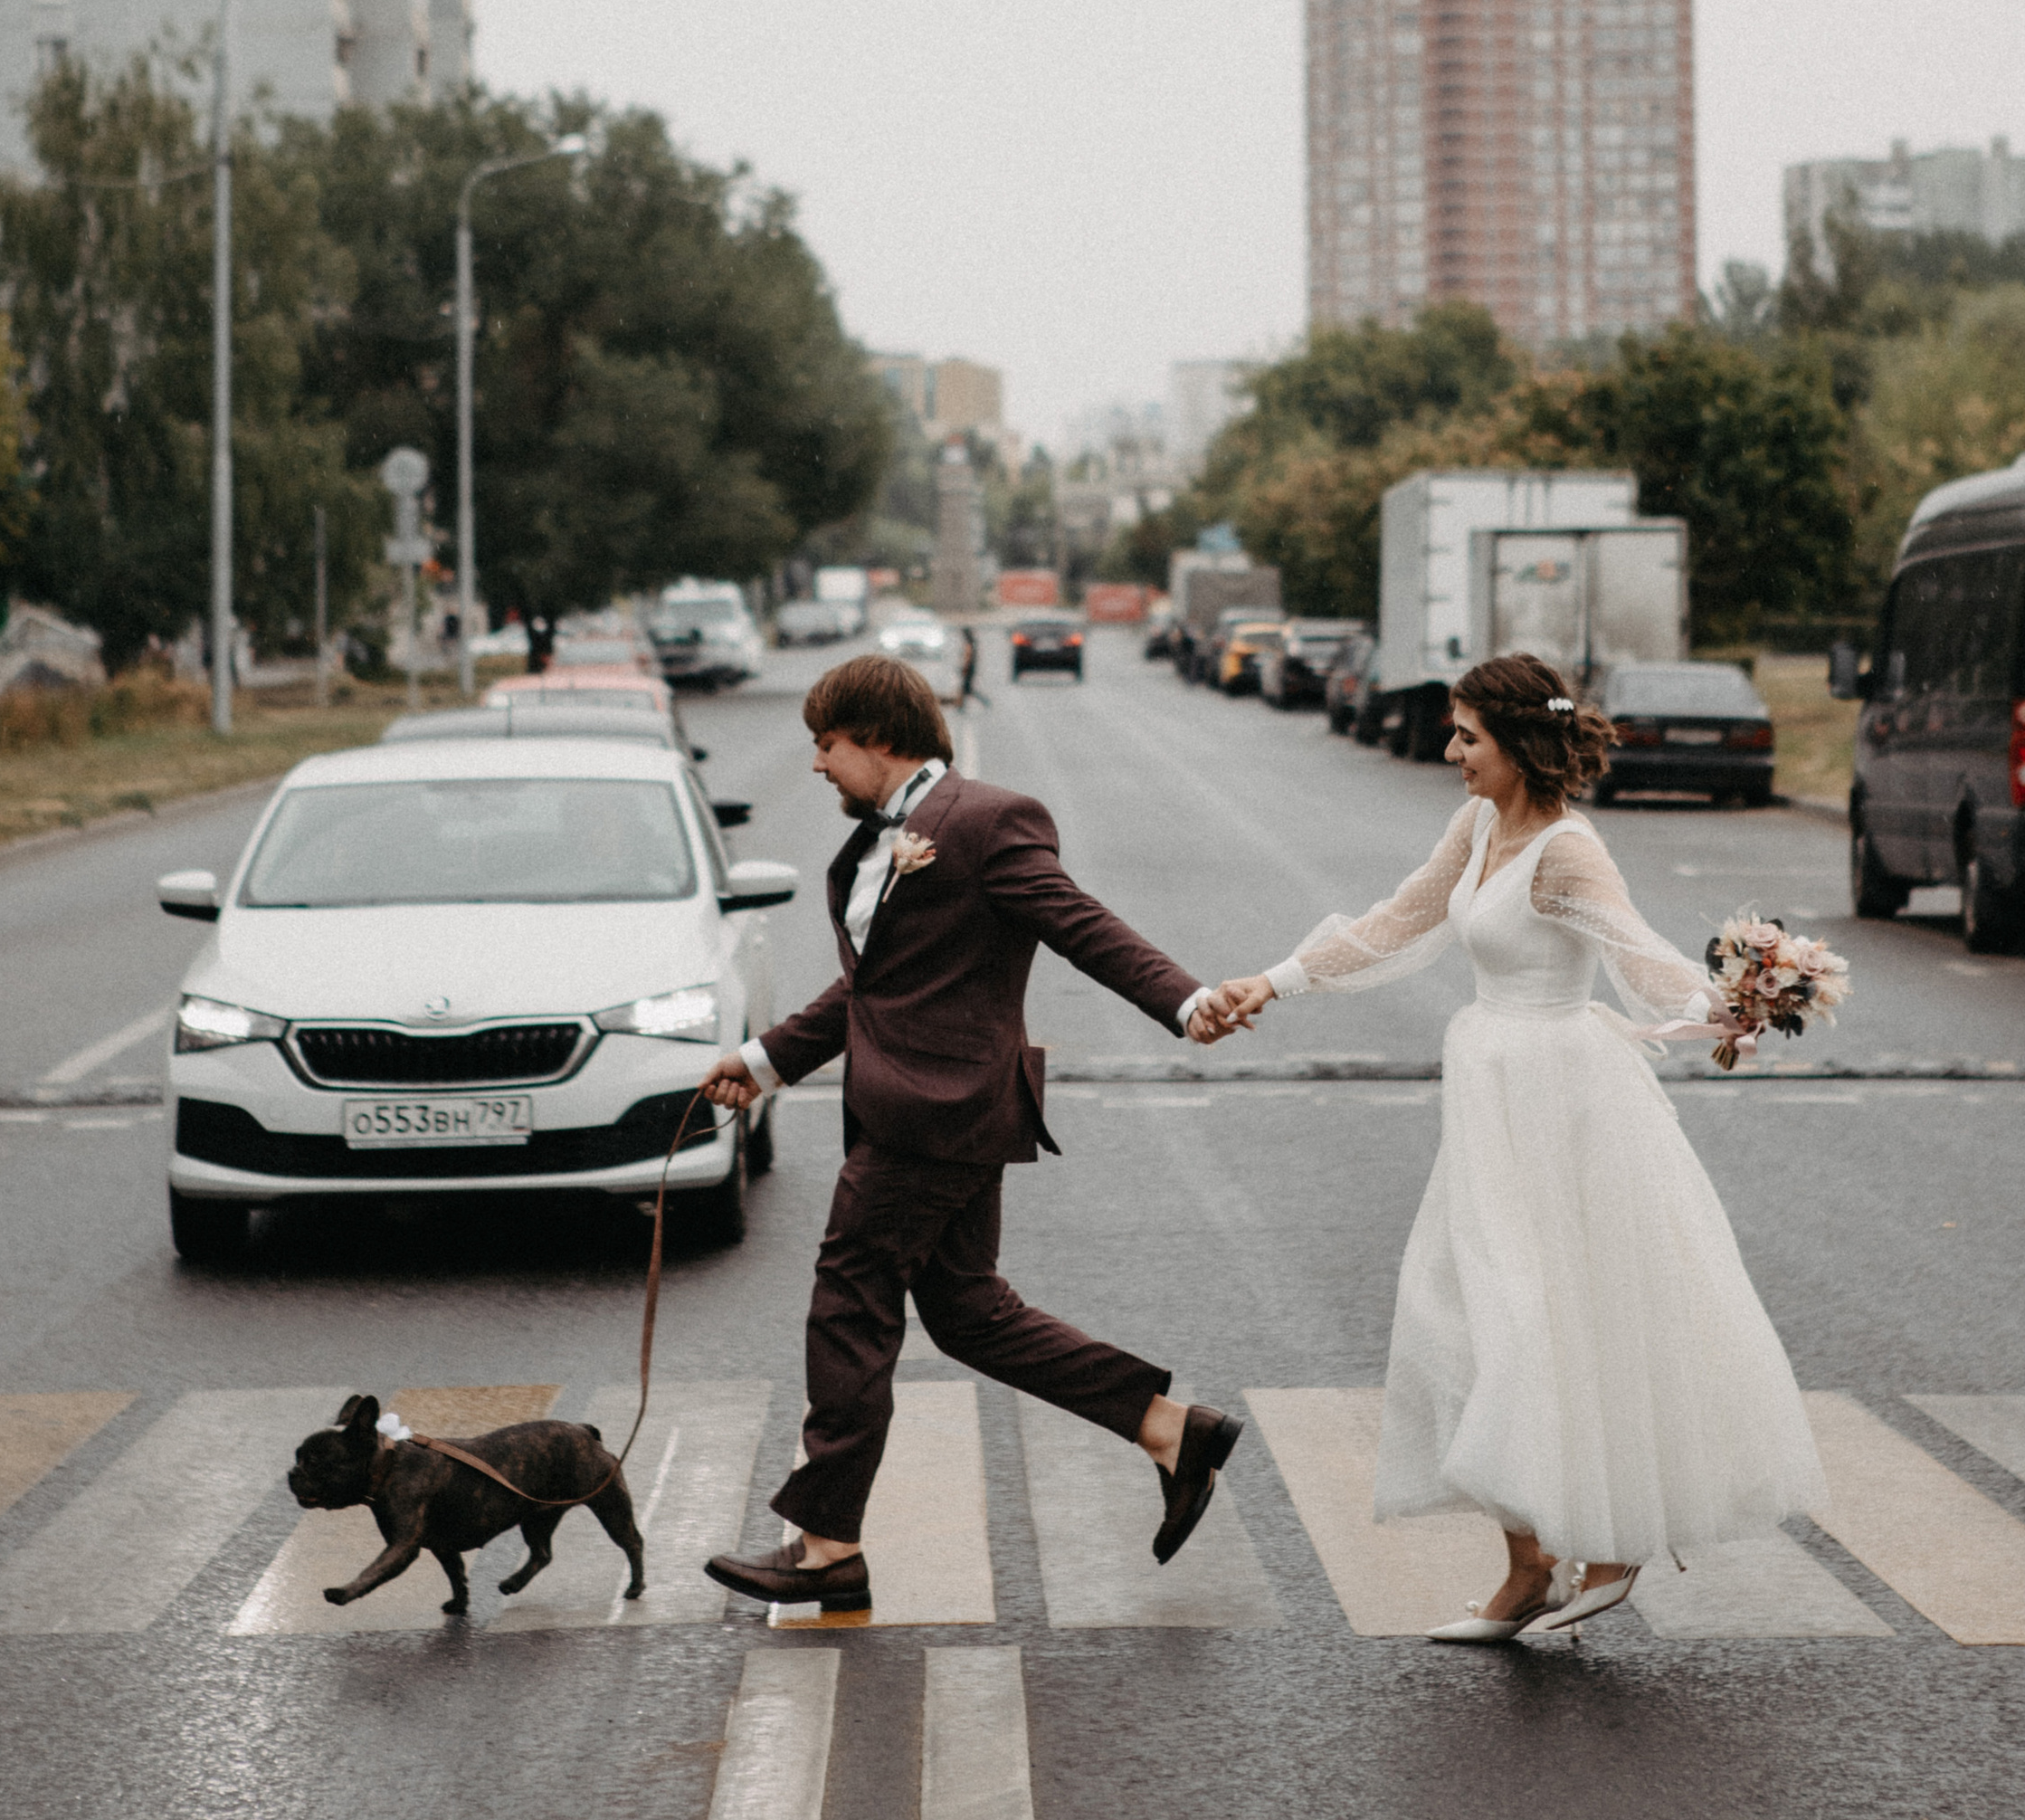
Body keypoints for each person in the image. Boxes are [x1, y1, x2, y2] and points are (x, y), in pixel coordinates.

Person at [1198, 651, 1827, 1642]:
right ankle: (1530, 1565)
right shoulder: (1481, 824)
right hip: (1492, 1096)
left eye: (1467, 737)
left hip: (1562, 1100)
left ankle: (1606, 1546)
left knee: (1552, 1323)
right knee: (1467, 1319)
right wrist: (1270, 981)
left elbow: (1635, 953)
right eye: (1453, 733)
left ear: (1521, 745)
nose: (1451, 751)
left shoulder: (1568, 852)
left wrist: (1739, 1003)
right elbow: (1398, 918)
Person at [698, 653, 1239, 1615]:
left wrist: (1186, 998)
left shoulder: (986, 821)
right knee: (968, 1313)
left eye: (824, 746)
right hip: (932, 1108)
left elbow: (1080, 923)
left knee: (848, 1305)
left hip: (932, 1114)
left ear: (877, 738)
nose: (816, 766)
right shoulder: (883, 837)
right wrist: (767, 1058)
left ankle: (826, 1546)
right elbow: (873, 989)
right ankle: (1168, 1428)